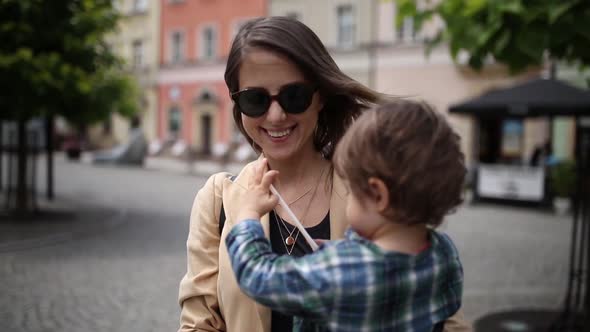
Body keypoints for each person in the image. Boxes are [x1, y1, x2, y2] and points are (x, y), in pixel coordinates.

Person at [178, 16, 472, 332]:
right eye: (255, 99)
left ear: (320, 96)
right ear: (237, 104)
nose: (276, 115)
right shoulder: (219, 197)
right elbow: (199, 325)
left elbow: (447, 325)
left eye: (294, 96)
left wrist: (248, 219)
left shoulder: (375, 187)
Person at [226, 100, 465, 332]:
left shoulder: (341, 273)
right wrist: (340, 252)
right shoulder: (445, 254)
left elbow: (257, 275)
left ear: (378, 195)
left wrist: (248, 214)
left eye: (350, 190)